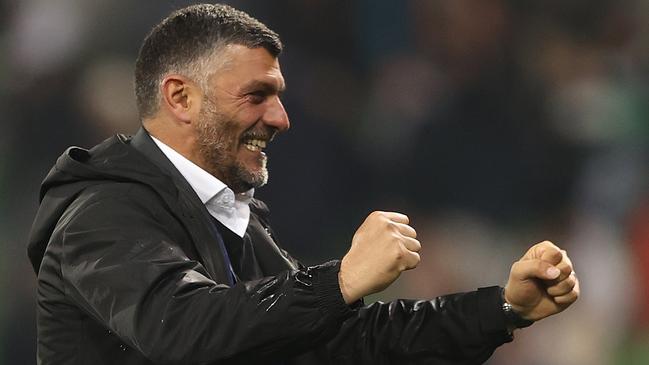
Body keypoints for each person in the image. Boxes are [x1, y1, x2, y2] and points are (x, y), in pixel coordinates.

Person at [27, 4, 579, 364]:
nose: (280, 118)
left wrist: (504, 308)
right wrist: (339, 280)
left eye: (280, 95)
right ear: (179, 98)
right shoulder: (102, 211)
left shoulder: (226, 218)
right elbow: (182, 330)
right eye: (256, 95)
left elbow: (348, 342)